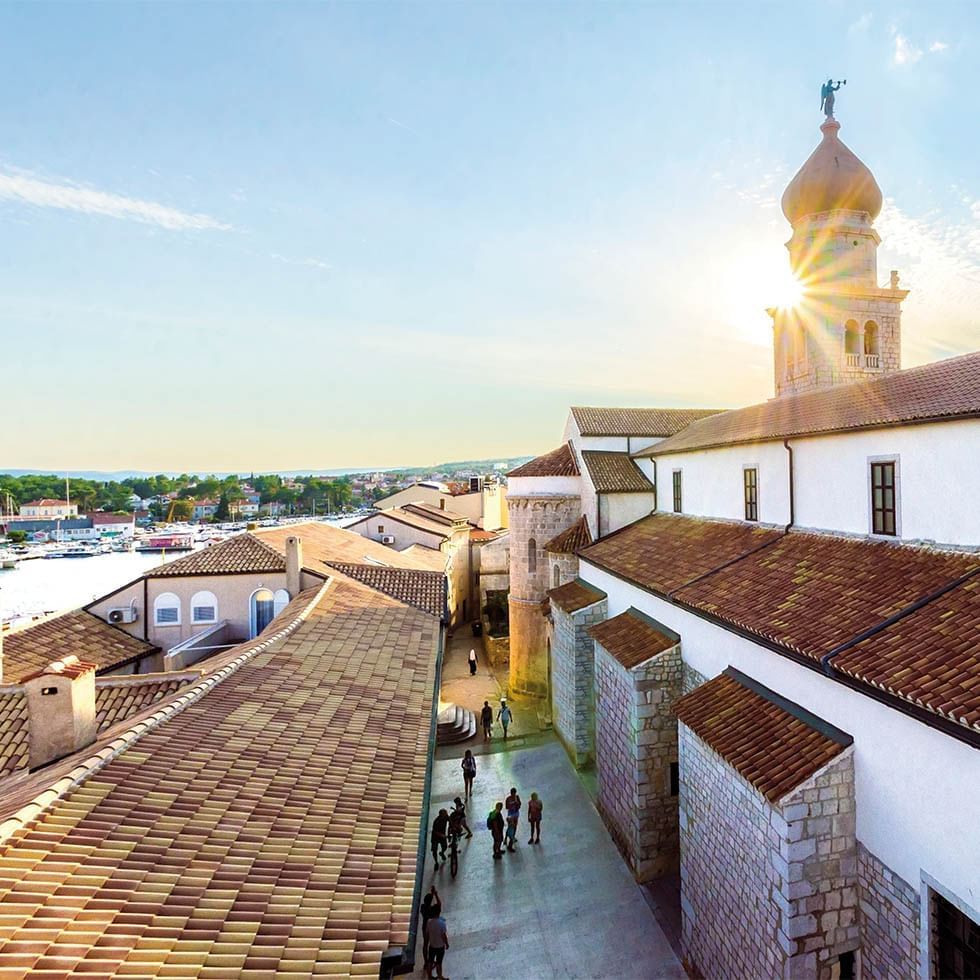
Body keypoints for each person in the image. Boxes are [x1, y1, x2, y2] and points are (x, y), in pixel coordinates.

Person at [419, 886, 441, 967]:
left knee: (425, 944)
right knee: (432, 945)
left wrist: (432, 894)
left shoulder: (423, 907)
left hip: (425, 927)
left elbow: (428, 902)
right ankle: (431, 961)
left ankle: (426, 962)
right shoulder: (432, 910)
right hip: (431, 928)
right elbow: (439, 904)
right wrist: (435, 894)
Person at [425, 910, 450, 979]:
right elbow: (443, 936)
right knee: (439, 963)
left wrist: (426, 944)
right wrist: (447, 944)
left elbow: (427, 933)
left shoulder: (429, 922)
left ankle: (429, 976)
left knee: (430, 961)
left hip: (432, 946)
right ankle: (440, 976)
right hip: (440, 947)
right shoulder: (442, 923)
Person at [504, 787, 521, 853]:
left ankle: (513, 836)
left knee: (515, 825)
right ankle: (507, 838)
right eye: (512, 793)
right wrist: (512, 804)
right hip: (511, 814)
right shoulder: (508, 799)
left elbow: (519, 805)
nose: (513, 795)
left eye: (514, 793)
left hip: (516, 813)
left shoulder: (517, 797)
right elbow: (507, 807)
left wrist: (517, 804)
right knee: (510, 826)